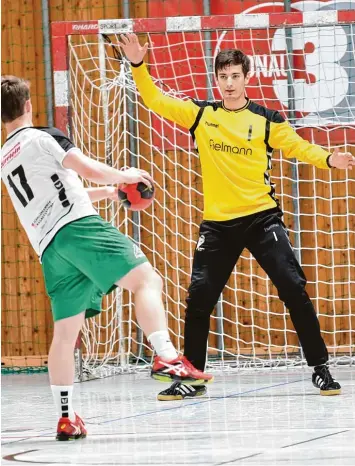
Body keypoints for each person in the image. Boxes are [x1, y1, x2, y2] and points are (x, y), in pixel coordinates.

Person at [118, 33, 355, 401]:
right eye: (223, 76)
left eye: (235, 76)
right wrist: (138, 65)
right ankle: (192, 375)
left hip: (262, 219)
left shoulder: (266, 120)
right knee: (199, 298)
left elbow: (298, 147)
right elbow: (155, 100)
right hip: (217, 225)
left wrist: (329, 158)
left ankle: (320, 368)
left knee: (293, 288)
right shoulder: (202, 115)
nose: (228, 83)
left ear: (247, 77)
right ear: (217, 80)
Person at [1, 76, 213, 440]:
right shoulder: (42, 136)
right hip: (80, 230)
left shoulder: (6, 158)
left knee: (66, 334)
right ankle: (165, 354)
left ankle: (66, 417)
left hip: (51, 248)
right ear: (28, 106)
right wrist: (125, 174)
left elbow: (66, 190)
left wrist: (113, 193)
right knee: (146, 279)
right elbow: (83, 166)